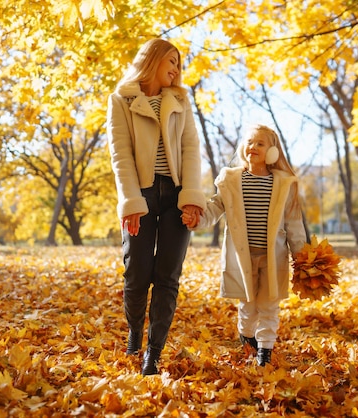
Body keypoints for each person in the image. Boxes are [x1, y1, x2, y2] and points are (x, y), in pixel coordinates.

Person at [106, 38, 206, 375]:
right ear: (152, 60)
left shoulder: (179, 100)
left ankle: (153, 352)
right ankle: (135, 331)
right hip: (142, 194)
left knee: (168, 277)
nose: (177, 69)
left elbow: (191, 149)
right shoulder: (121, 99)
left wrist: (192, 197)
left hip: (177, 194)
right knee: (137, 274)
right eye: (172, 61)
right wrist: (131, 201)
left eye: (179, 63)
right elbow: (120, 155)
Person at [182, 125, 306, 366]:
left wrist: (301, 256)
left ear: (272, 152)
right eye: (250, 142)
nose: (253, 147)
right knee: (248, 308)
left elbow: (294, 224)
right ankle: (247, 337)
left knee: (269, 305)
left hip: (274, 257)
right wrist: (197, 219)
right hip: (243, 257)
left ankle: (265, 352)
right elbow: (215, 208)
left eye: (260, 143)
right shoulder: (232, 180)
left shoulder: (283, 184)